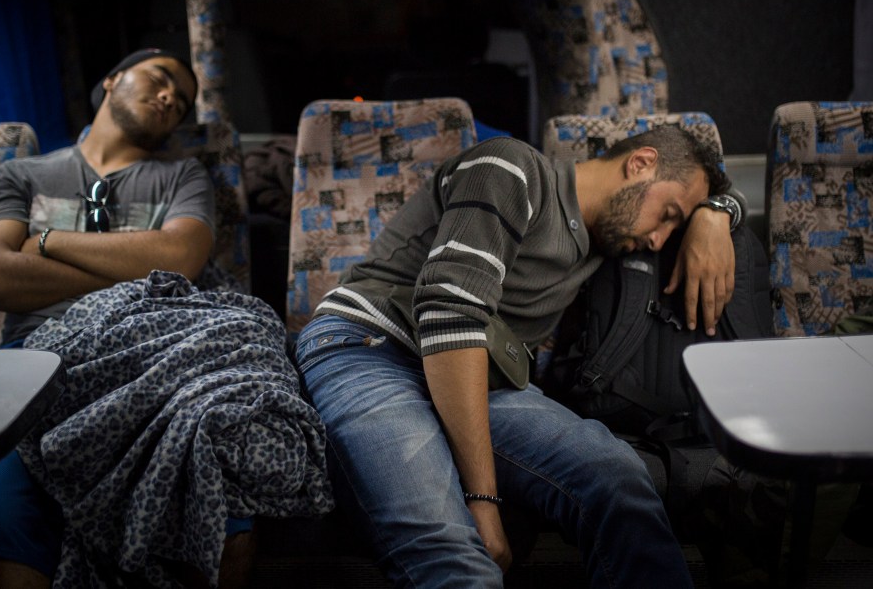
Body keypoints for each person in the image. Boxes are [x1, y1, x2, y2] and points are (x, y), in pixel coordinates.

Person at [294, 127, 742, 588]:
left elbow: (728, 200)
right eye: (668, 215)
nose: (659, 241)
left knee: (620, 477)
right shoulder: (511, 167)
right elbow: (451, 317)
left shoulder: (601, 243)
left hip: (481, 378)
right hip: (372, 346)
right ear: (641, 163)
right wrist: (483, 499)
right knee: (454, 553)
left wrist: (716, 214)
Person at [0, 48, 254, 588]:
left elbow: (180, 260)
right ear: (111, 79)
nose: (168, 98)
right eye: (160, 79)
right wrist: (137, 265)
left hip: (147, 354)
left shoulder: (183, 176)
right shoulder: (23, 174)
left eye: (180, 102)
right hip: (28, 357)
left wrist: (42, 243)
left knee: (225, 536)